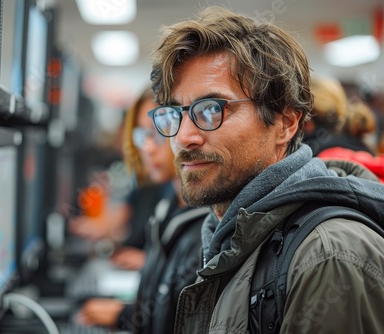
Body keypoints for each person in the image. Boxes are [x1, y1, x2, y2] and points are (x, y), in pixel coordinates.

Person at [147, 6, 384, 333]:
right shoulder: (225, 237)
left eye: (211, 109)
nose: (184, 137)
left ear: (285, 123)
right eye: (175, 113)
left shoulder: (329, 256)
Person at [75, 88, 210, 334]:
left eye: (156, 133)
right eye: (142, 135)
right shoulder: (167, 206)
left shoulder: (204, 223)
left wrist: (124, 315)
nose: (147, 148)